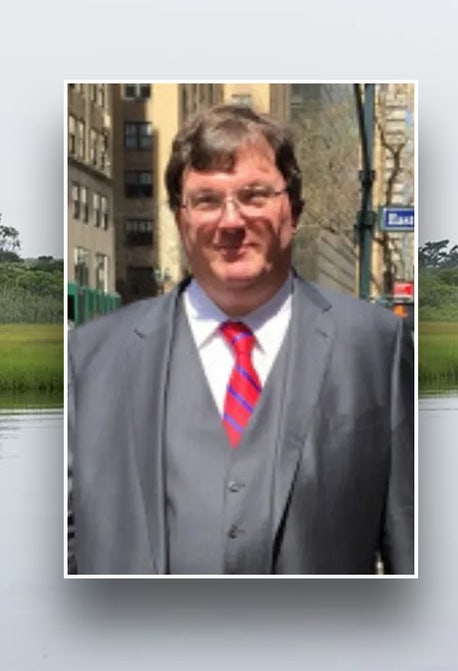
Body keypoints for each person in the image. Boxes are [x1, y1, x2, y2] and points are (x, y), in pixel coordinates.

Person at [67, 103, 414, 575]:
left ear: (293, 211)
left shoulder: (376, 347)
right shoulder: (88, 358)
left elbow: (408, 540)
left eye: (254, 195)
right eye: (207, 200)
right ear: (180, 217)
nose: (230, 222)